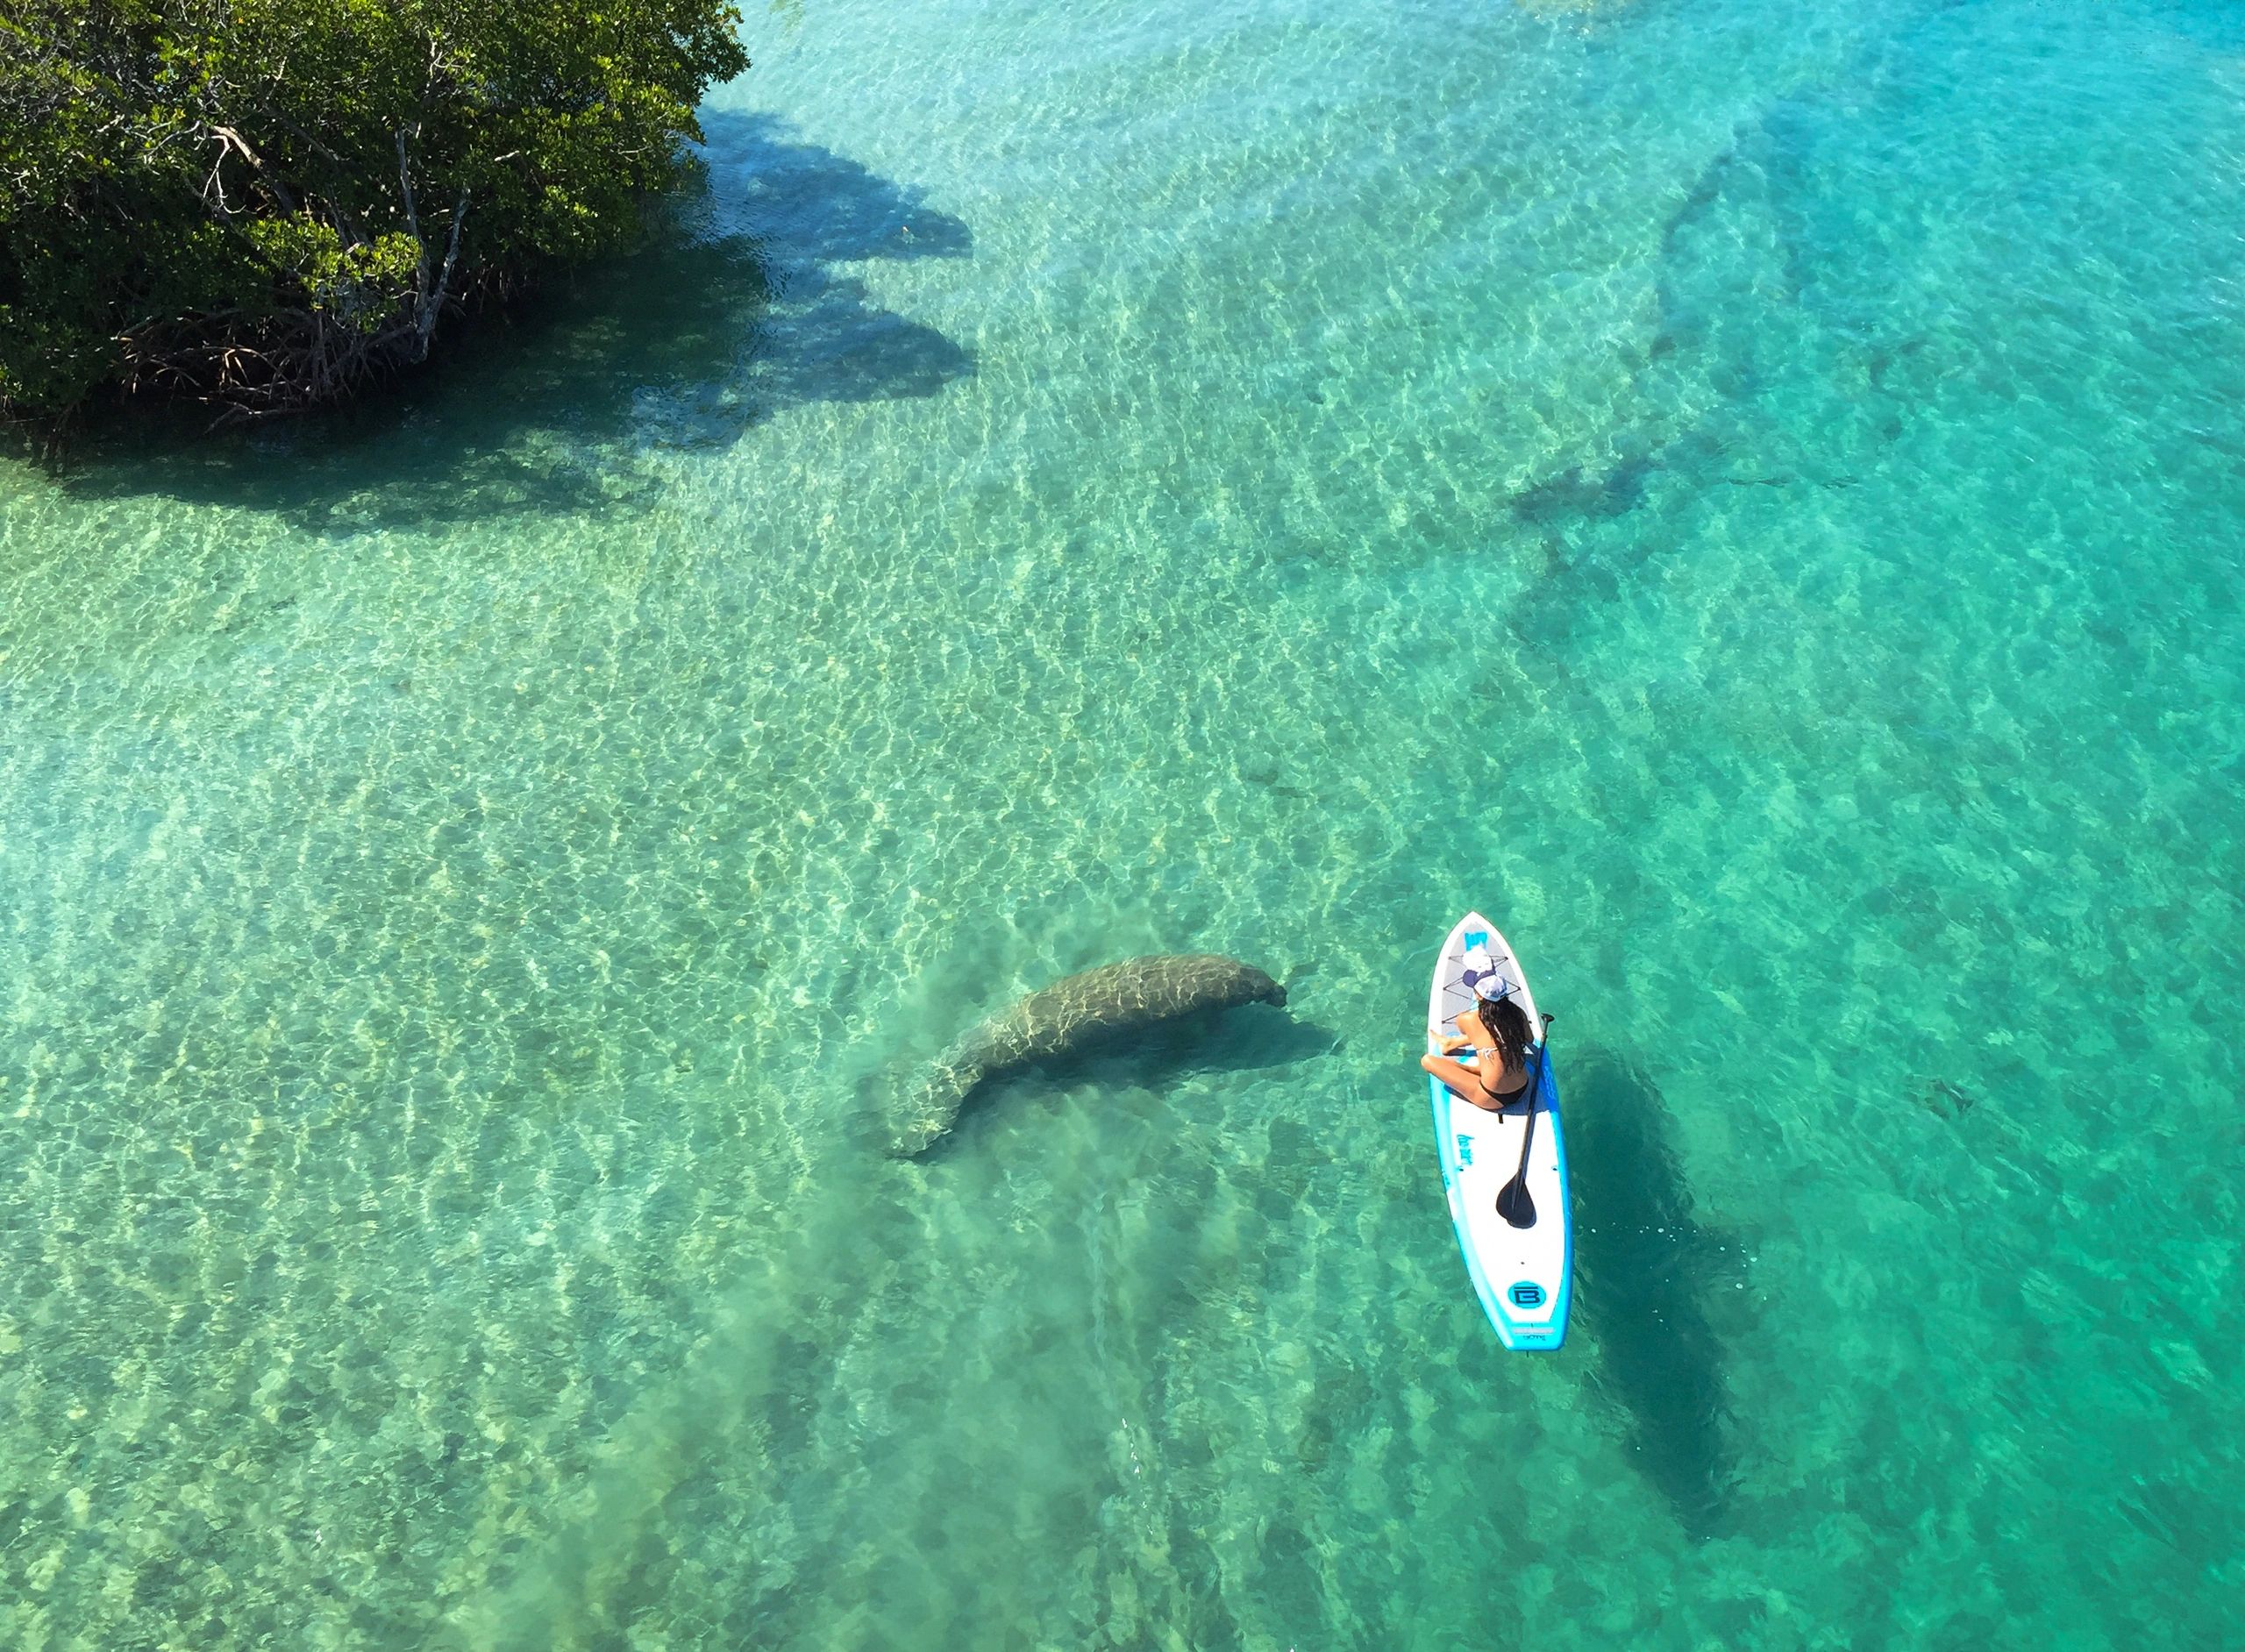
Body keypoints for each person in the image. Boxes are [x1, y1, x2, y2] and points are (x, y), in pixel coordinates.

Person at [1421, 986, 1537, 1111]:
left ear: (1479, 996)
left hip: (1491, 1097)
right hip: (1523, 1088)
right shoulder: (1518, 1013)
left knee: (1427, 1061)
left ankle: (1460, 1058)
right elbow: (1529, 1039)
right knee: (1496, 1036)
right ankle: (1452, 1045)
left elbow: (1468, 1031)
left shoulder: (1467, 1019)